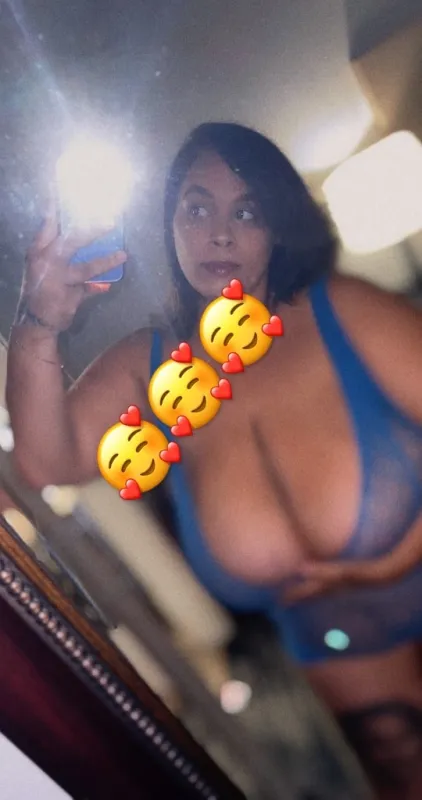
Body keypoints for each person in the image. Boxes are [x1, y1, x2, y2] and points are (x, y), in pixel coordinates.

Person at [6, 122, 422, 797]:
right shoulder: (149, 368)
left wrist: (393, 558)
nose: (219, 235)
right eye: (196, 209)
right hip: (351, 729)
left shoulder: (340, 313)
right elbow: (44, 464)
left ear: (277, 227)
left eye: (246, 212)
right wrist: (40, 322)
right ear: (169, 227)